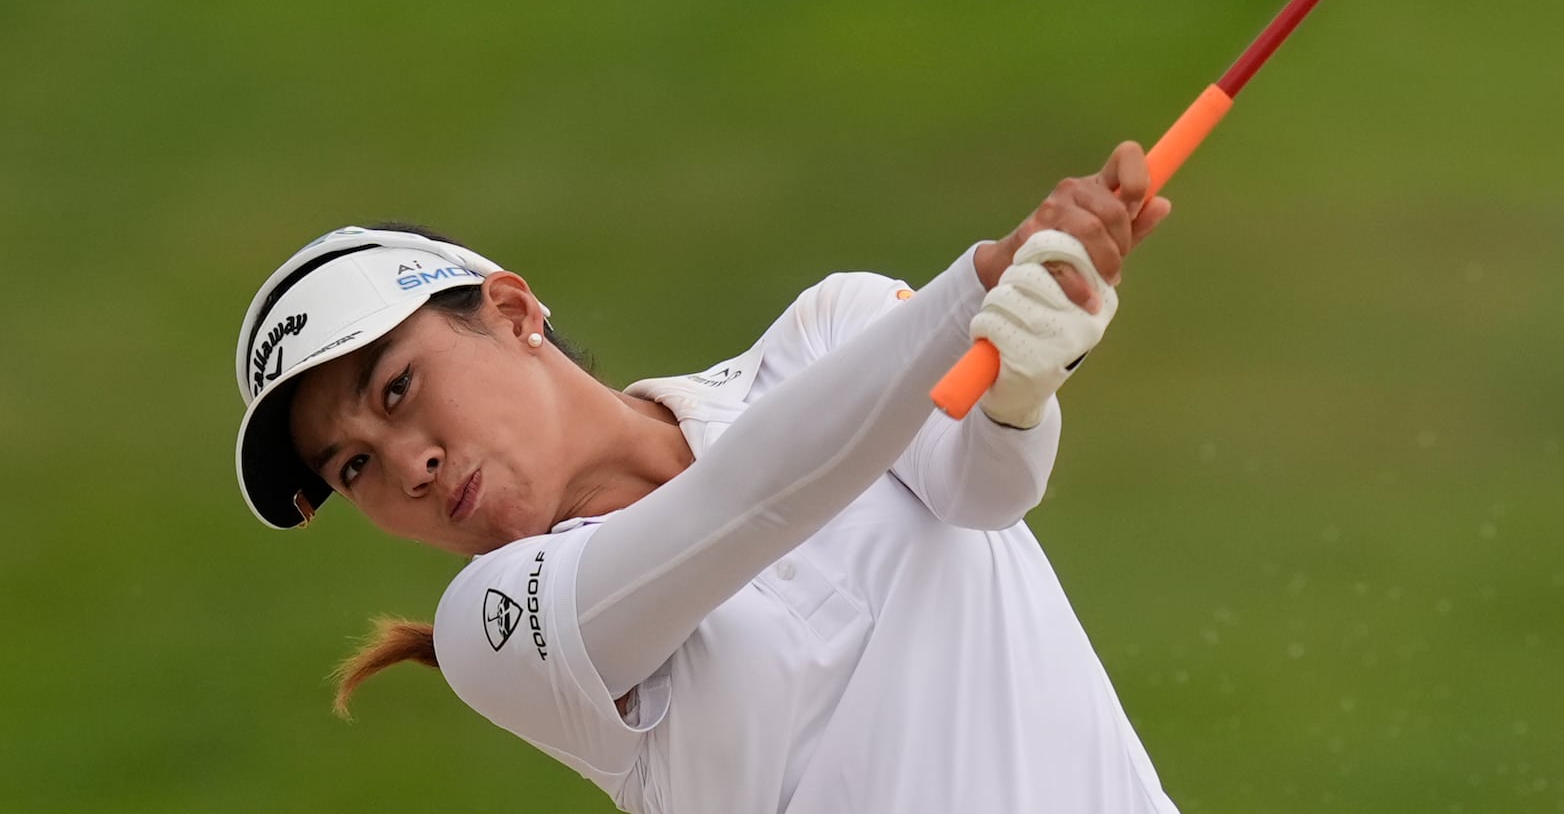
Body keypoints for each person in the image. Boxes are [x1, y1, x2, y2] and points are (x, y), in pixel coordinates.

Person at [232, 142, 1178, 814]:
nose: (409, 467)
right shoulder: (500, 631)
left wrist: (1024, 368)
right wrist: (981, 284)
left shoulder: (830, 333)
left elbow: (987, 490)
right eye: (352, 468)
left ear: (514, 311)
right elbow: (755, 501)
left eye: (398, 390)